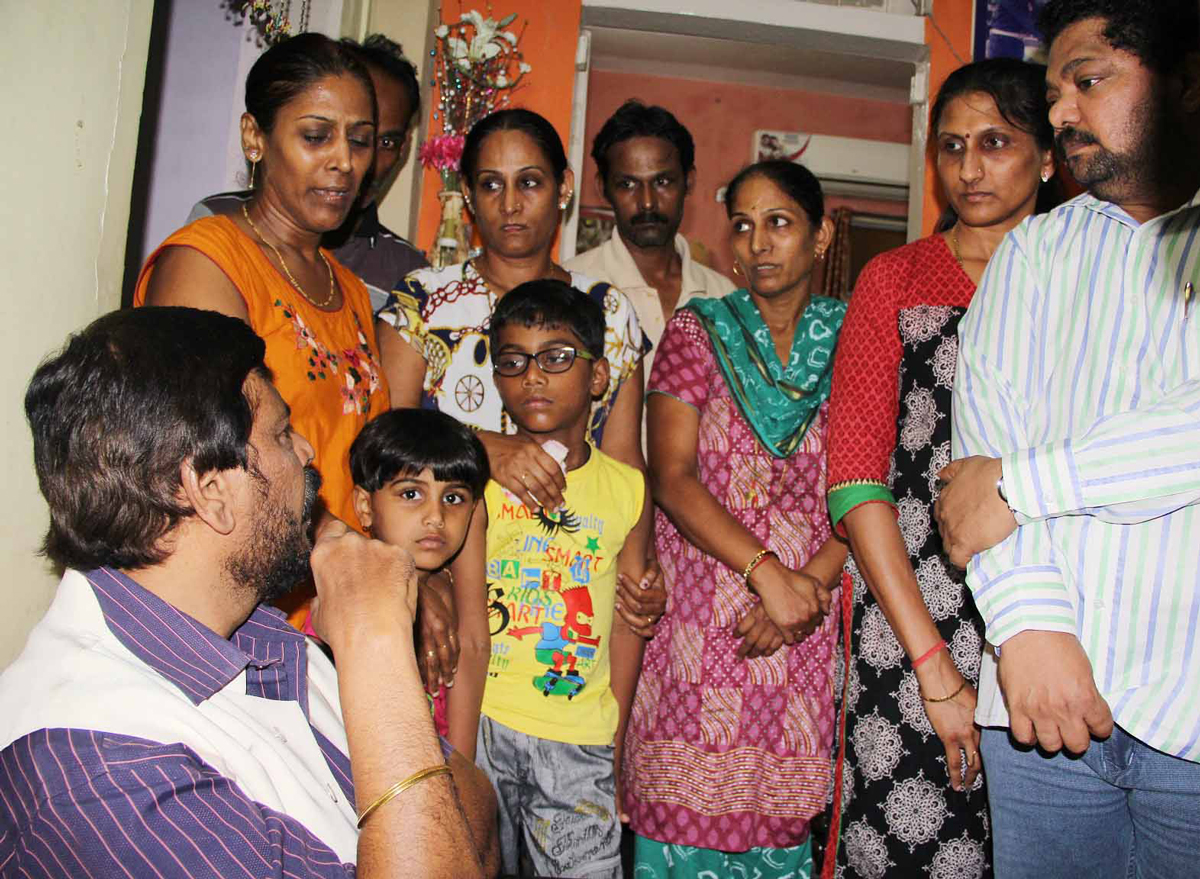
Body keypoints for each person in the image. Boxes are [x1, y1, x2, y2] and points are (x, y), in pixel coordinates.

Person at [0, 306, 497, 877]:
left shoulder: (252, 630)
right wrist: (376, 643)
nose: (308, 452)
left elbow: (475, 804)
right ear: (210, 491)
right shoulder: (102, 774)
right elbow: (449, 833)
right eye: (283, 434)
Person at [933, 2, 1200, 876]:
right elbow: (978, 452)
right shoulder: (1034, 254)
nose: (1058, 113)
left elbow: (996, 487)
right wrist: (1028, 628)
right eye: (1054, 92)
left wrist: (1023, 486)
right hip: (1041, 709)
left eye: (1088, 82)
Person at [821, 58, 1058, 878]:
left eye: (996, 142)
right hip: (912, 615)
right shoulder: (896, 278)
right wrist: (931, 662)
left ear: (1049, 155)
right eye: (951, 145)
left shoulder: (1079, 280)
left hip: (1060, 616)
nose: (968, 166)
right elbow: (855, 480)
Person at [623, 160, 848, 879]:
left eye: (779, 222)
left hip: (805, 625)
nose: (757, 243)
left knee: (782, 835)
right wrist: (766, 573)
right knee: (680, 828)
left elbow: (867, 482)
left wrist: (802, 590)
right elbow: (674, 476)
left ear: (821, 236)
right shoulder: (699, 332)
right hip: (705, 616)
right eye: (743, 226)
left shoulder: (857, 340)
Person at [377, 108, 665, 650]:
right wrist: (485, 446)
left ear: (564, 188)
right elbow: (384, 439)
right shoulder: (422, 303)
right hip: (440, 567)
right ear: (467, 192)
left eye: (530, 182)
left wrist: (638, 571)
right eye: (491, 184)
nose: (510, 204)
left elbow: (626, 459)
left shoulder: (607, 311)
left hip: (563, 587)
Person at [473, 279, 652, 877]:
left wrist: (616, 745)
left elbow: (630, 623)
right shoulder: (478, 478)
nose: (533, 377)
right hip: (482, 725)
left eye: (555, 358)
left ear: (598, 377)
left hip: (579, 741)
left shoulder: (627, 490)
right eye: (513, 362)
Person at [190, 34, 427, 310]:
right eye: (315, 136)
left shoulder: (355, 290)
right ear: (255, 136)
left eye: (361, 139)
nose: (346, 161)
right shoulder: (209, 245)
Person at [349, 408, 491, 760]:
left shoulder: (454, 591)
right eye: (411, 494)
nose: (436, 517)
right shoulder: (352, 602)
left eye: (453, 498)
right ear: (365, 507)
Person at [565, 99, 735, 380]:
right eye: (628, 184)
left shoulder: (724, 298)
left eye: (662, 182)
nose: (647, 202)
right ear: (602, 188)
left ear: (688, 182)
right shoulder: (575, 287)